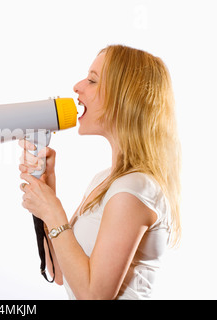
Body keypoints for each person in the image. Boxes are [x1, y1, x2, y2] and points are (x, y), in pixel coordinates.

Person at [19, 44, 181, 299]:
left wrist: (53, 210)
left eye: (93, 80)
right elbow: (60, 272)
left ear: (124, 99)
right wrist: (48, 188)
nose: (77, 86)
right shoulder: (106, 180)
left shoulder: (136, 187)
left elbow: (94, 296)